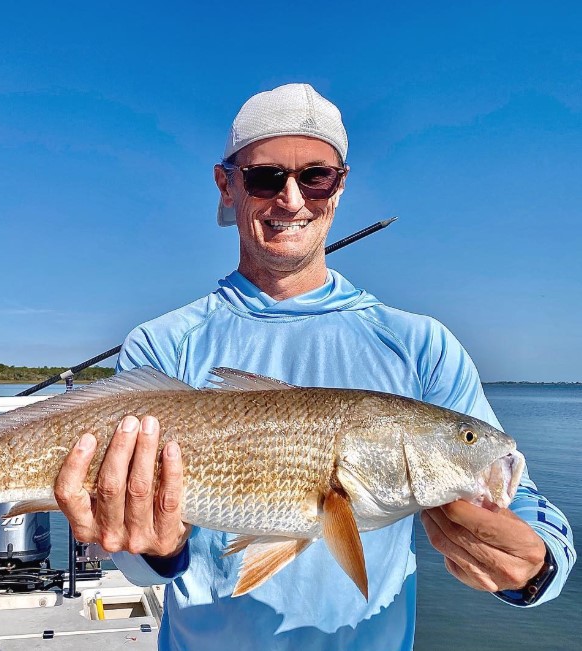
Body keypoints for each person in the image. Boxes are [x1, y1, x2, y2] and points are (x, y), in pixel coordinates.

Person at [53, 84, 576, 650]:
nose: (292, 200)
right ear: (226, 185)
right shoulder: (163, 344)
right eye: (265, 177)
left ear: (340, 185)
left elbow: (520, 502)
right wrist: (151, 548)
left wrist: (536, 567)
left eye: (315, 176)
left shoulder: (422, 344)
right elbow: (134, 555)